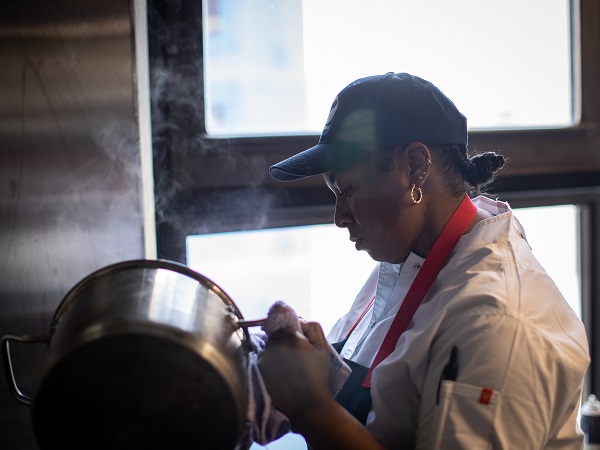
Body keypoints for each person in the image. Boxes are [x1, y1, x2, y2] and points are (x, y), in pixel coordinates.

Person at [257, 72, 590, 449]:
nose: (339, 216)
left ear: (416, 166)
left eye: (347, 190)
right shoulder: (409, 256)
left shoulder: (495, 322)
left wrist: (312, 408)